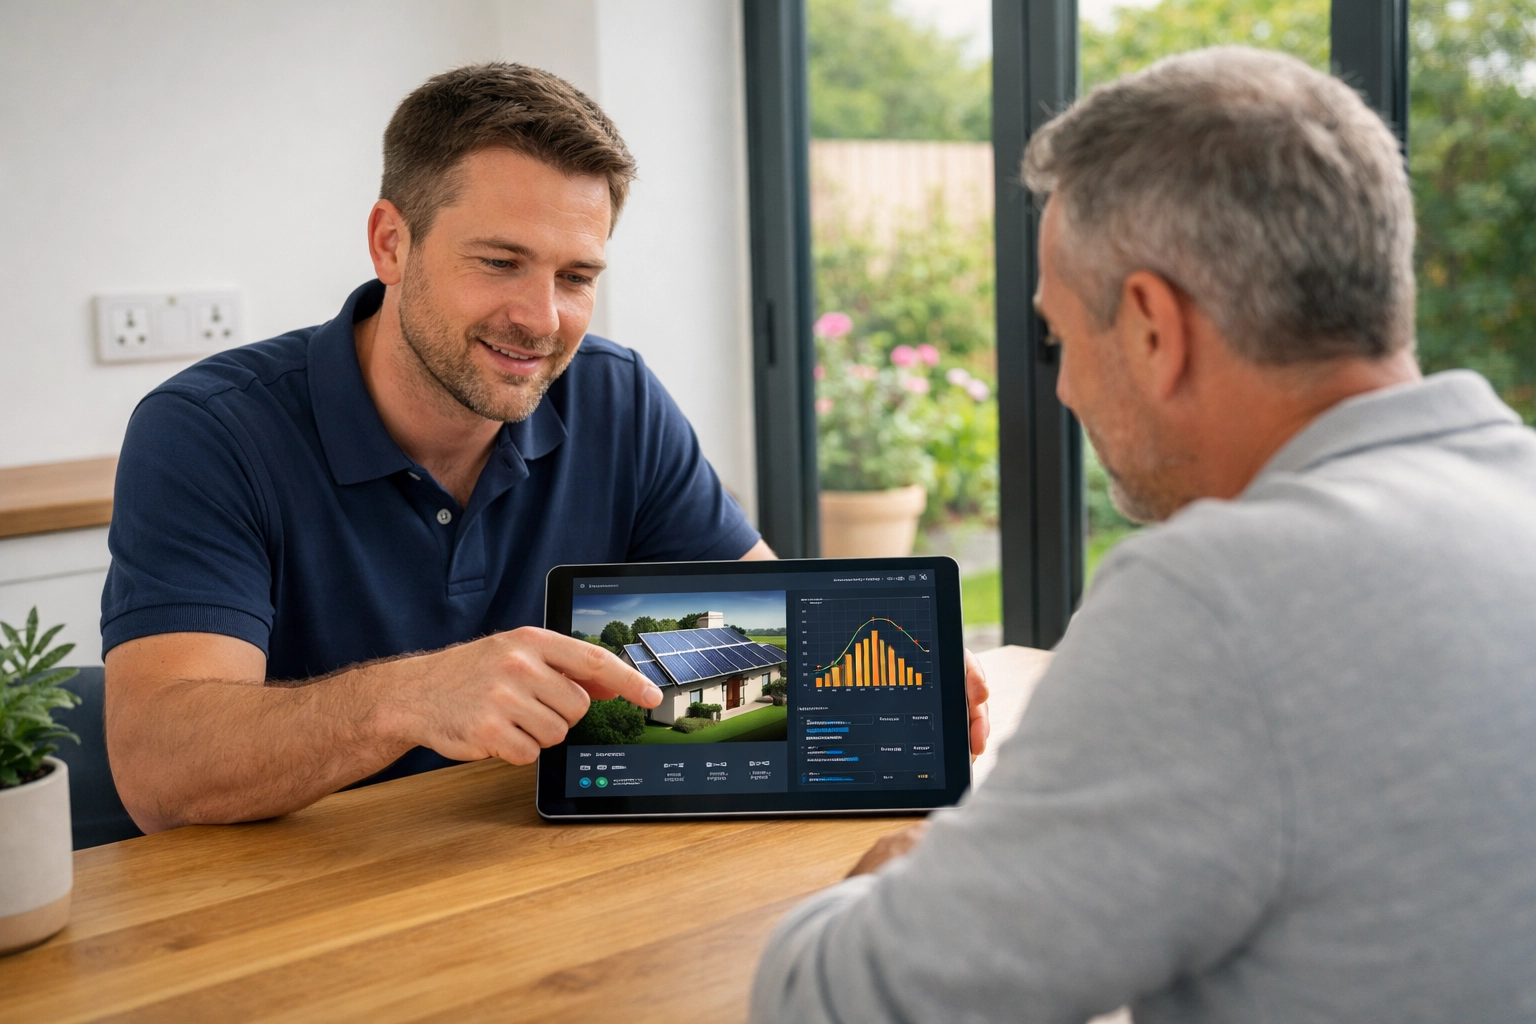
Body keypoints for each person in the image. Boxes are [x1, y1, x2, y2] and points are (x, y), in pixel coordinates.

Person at [751, 46, 1536, 1023]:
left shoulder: (1219, 598)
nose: (1066, 386)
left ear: (1155, 327)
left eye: (1058, 336)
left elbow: (838, 1004)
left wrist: (885, 883)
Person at [99, 61, 993, 834]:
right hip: (294, 921)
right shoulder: (207, 431)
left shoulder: (615, 395)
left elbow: (760, 616)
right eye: (499, 262)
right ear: (391, 243)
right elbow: (159, 774)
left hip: (532, 881)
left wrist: (882, 689)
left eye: (576, 276)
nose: (542, 319)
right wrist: (412, 696)